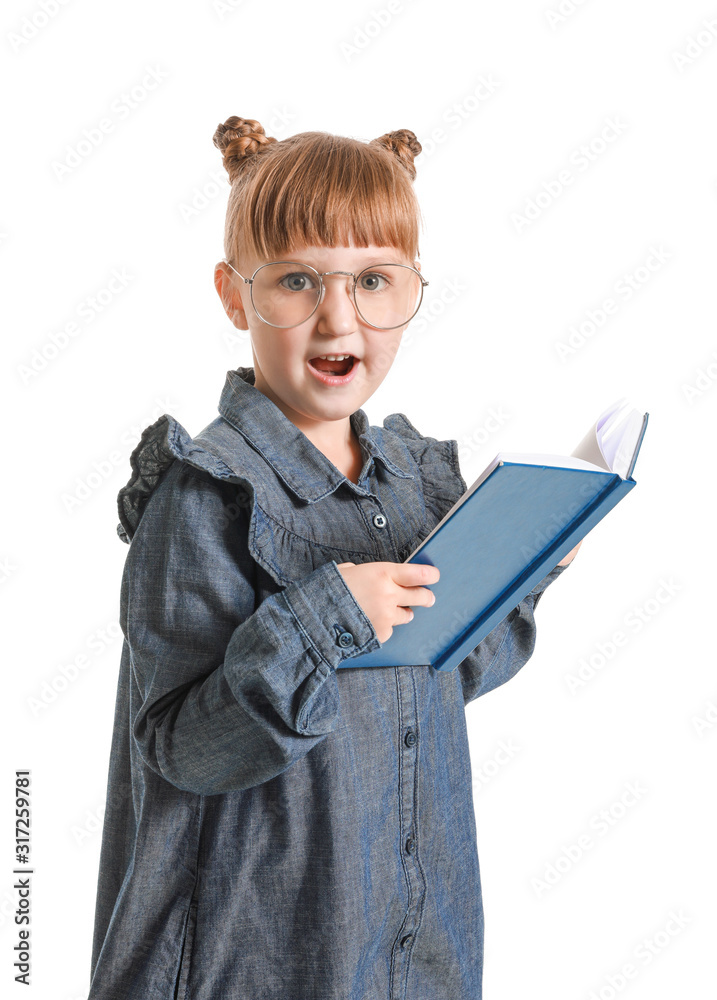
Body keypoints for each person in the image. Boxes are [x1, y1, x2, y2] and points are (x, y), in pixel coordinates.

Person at [87, 116, 580, 1000]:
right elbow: (184, 750)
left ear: (411, 290)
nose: (337, 316)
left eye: (374, 282)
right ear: (235, 296)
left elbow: (446, 675)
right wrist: (322, 618)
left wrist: (522, 560)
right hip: (256, 954)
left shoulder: (412, 484)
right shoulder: (207, 498)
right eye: (297, 281)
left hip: (411, 936)